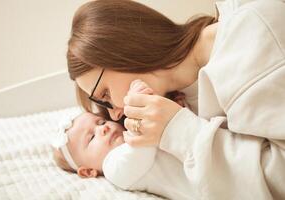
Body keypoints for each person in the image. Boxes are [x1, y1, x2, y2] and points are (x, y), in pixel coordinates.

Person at [66, 0, 285, 199]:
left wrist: (178, 129)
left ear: (122, 50)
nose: (115, 114)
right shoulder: (183, 99)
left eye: (105, 95)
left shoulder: (251, 36)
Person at [53, 81, 194, 199]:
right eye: (92, 137)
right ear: (88, 171)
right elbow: (141, 147)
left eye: (101, 122)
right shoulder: (113, 169)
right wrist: (137, 104)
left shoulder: (127, 136)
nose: (103, 129)